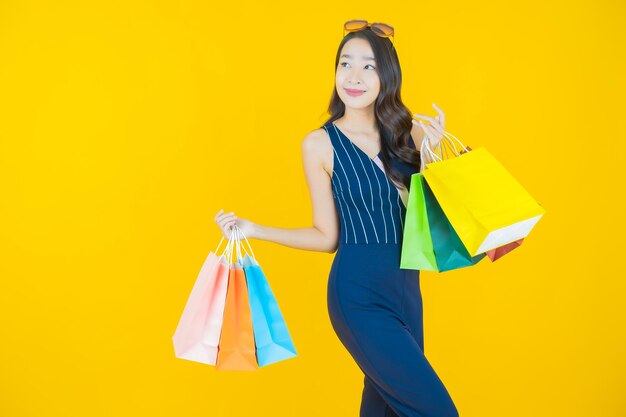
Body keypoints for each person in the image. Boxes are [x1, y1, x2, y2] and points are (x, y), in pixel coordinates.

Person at [214, 20, 459, 417]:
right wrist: (254, 229)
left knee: (385, 409)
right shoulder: (319, 144)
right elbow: (326, 236)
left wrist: (434, 156)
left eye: (368, 66)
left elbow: (435, 219)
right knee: (435, 411)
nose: (354, 77)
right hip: (357, 295)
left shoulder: (410, 134)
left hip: (407, 293)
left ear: (387, 76)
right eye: (345, 64)